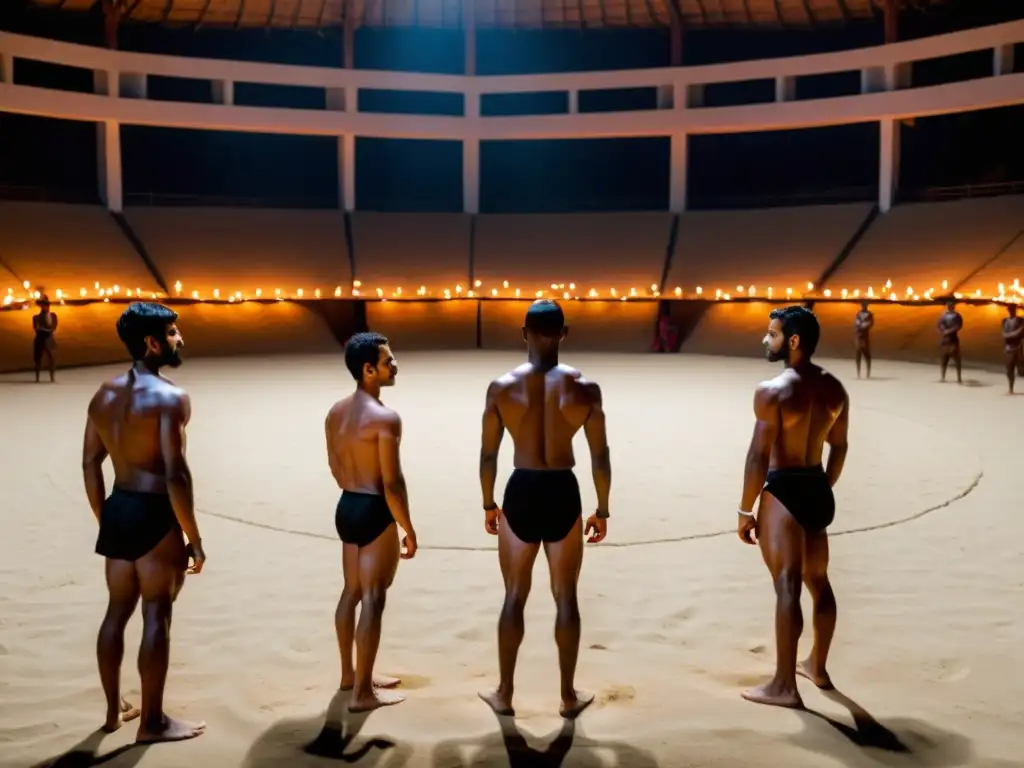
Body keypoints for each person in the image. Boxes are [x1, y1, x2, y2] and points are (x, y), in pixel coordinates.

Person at [477, 299, 611, 720]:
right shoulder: (585, 388)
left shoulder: (500, 388)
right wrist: (602, 508)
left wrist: (488, 503)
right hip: (562, 490)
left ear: (524, 334)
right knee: (566, 597)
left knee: (514, 596)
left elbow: (487, 455)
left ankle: (505, 693)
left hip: (521, 488)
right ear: (564, 333)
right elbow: (600, 456)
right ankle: (568, 697)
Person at [82, 302, 206, 743]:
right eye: (173, 333)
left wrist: (107, 519)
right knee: (157, 614)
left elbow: (90, 463)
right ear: (152, 342)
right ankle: (152, 723)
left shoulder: (103, 394)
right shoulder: (172, 398)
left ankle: (115, 714)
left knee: (116, 612)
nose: (179, 339)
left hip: (118, 508)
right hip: (156, 513)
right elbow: (176, 473)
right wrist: (193, 536)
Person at [736, 305, 849, 709]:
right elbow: (839, 445)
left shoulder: (773, 391)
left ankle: (784, 684)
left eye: (772, 334)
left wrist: (745, 510)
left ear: (793, 341)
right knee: (819, 582)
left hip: (784, 490)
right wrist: (824, 486)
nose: (766, 340)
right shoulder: (835, 389)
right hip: (817, 487)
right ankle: (817, 666)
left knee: (787, 584)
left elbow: (757, 456)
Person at [325, 331, 417, 713]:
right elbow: (392, 483)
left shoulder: (335, 412)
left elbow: (333, 464)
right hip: (375, 508)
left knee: (351, 592)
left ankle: (351, 674)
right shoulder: (385, 419)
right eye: (388, 361)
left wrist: (353, 491)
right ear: (368, 370)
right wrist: (407, 527)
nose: (395, 365)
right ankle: (363, 692)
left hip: (346, 505)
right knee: (374, 600)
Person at [32, 295, 58, 382]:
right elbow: (37, 328)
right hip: (40, 339)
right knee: (38, 359)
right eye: (43, 305)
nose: (46, 307)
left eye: (46, 305)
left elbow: (53, 327)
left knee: (52, 359)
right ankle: (37, 377)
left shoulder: (52, 316)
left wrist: (44, 329)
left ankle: (52, 377)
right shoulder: (36, 317)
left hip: (48, 339)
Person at [937, 300, 963, 384]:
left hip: (953, 339)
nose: (950, 306)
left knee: (956, 359)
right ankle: (942, 377)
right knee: (944, 358)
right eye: (949, 305)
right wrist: (943, 330)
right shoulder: (943, 315)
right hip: (945, 339)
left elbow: (958, 326)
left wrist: (949, 331)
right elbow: (939, 325)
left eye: (951, 305)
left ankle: (959, 378)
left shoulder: (957, 316)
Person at [1002, 303, 1024, 394]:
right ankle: (1011, 388)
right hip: (1009, 348)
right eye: (1010, 309)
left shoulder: (1020, 320)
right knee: (1009, 369)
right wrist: (1009, 336)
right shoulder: (1004, 320)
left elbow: (1020, 332)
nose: (1011, 310)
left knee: (1021, 370)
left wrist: (1010, 335)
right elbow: (1003, 333)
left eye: (1013, 309)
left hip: (1018, 347)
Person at [853, 302, 873, 379]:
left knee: (866, 355)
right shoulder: (859, 314)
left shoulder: (869, 314)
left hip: (864, 335)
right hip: (860, 335)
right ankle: (859, 373)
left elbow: (870, 324)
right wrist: (861, 326)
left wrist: (862, 326)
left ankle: (867, 373)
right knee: (859, 355)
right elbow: (857, 323)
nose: (863, 307)